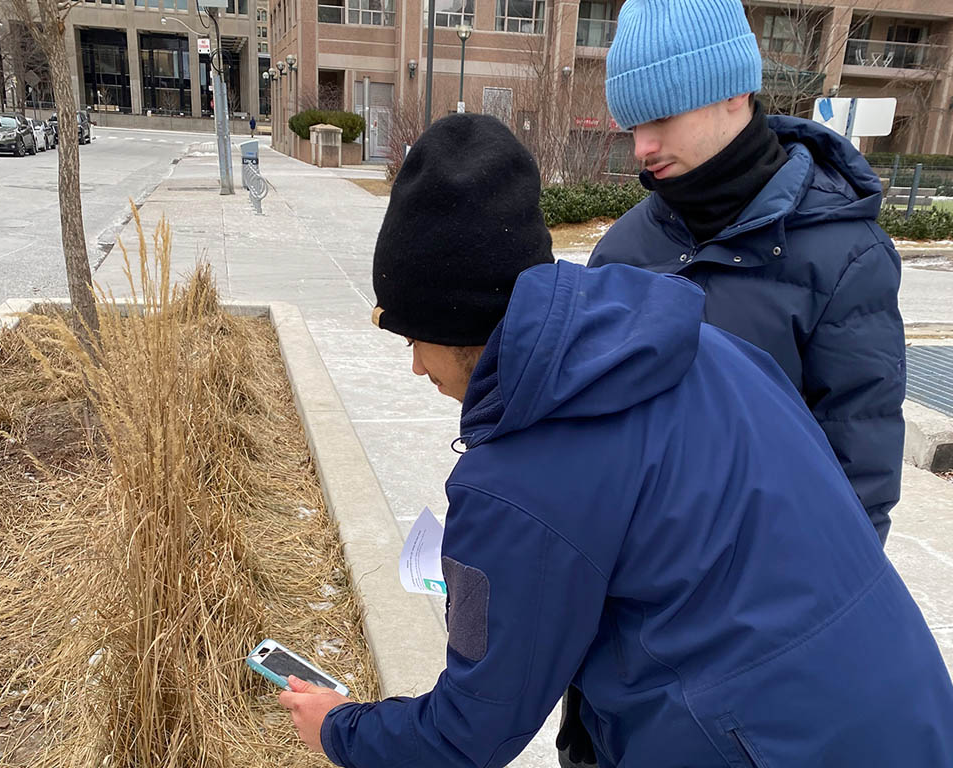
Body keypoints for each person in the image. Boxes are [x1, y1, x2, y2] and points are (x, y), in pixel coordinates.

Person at [279, 113, 953, 768]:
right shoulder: (707, 348)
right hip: (908, 713)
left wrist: (337, 728)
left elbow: (467, 734)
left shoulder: (517, 484)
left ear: (457, 325)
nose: (415, 366)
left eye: (411, 338)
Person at [589, 0, 905, 547]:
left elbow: (859, 476)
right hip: (640, 591)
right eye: (633, 124)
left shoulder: (848, 257)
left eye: (661, 117)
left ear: (734, 92)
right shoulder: (623, 247)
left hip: (764, 597)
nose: (642, 147)